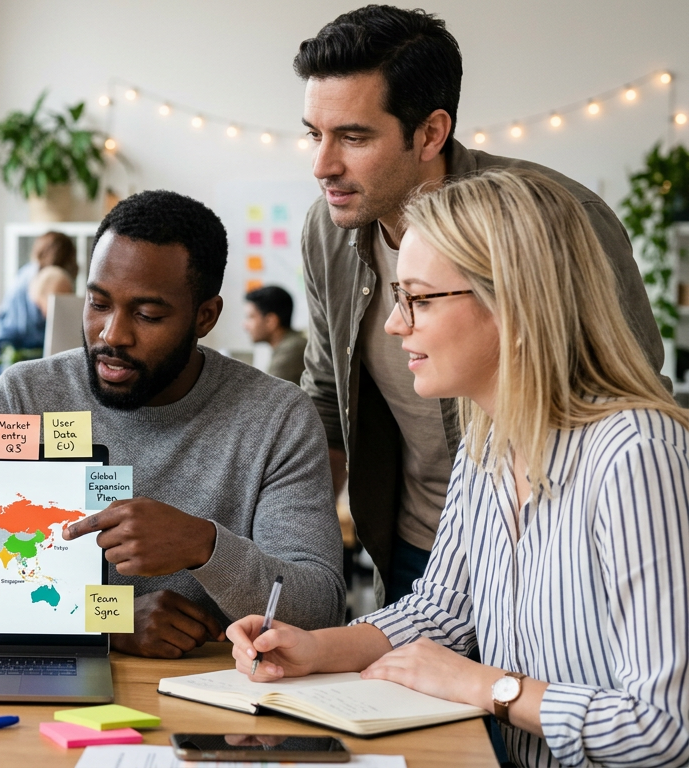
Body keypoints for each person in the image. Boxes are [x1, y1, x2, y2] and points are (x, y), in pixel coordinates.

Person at [229, 169, 689, 768]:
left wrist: (484, 685)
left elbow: (665, 727)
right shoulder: (486, 439)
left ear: (514, 305)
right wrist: (315, 649)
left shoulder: (636, 454)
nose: (395, 323)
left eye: (418, 299)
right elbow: (440, 609)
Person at [294, 5, 666, 606]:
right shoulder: (327, 231)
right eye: (315, 134)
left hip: (551, 552)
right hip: (416, 547)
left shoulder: (554, 219)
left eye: (354, 137)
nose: (322, 166)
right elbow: (326, 400)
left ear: (430, 133)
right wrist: (301, 571)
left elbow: (631, 393)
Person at [0, 190, 344, 659]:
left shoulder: (276, 419)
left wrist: (204, 545)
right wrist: (111, 620)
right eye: (98, 304)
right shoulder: (26, 399)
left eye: (147, 315)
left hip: (222, 690)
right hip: (54, 678)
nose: (112, 335)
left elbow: (319, 609)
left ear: (205, 316)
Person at [0, 232, 79, 370]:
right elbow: (54, 323)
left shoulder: (31, 274)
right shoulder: (41, 280)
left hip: (12, 353)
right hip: (18, 357)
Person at [242, 285, 307, 385]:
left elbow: (267, 392)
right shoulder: (291, 344)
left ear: (270, 321)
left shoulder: (291, 350)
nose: (245, 325)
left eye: (250, 317)